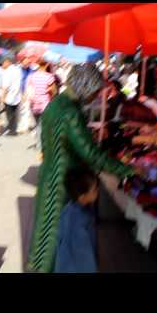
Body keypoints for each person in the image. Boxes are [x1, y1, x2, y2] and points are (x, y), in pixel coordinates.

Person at [27, 63, 134, 273]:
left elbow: (63, 141)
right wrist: (128, 170)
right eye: (94, 91)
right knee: (59, 239)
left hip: (50, 176)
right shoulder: (70, 112)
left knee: (46, 235)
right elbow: (91, 154)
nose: (95, 96)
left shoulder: (56, 103)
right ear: (83, 85)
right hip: (63, 184)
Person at [55, 166, 100, 273]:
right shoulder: (78, 221)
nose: (97, 191)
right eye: (94, 190)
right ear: (82, 196)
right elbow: (83, 256)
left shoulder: (69, 209)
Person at [26, 59, 57, 151]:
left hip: (34, 104)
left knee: (37, 125)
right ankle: (45, 146)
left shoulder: (31, 76)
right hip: (45, 104)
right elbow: (54, 91)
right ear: (47, 64)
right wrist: (49, 91)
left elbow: (28, 89)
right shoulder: (49, 76)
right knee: (46, 126)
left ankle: (39, 145)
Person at [0, 55, 22, 136]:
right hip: (17, 95)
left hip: (9, 96)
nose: (2, 65)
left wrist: (2, 98)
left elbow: (5, 86)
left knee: (9, 114)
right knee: (15, 114)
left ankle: (11, 130)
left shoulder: (7, 71)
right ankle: (14, 129)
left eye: (3, 63)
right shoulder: (18, 70)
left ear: (7, 62)